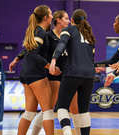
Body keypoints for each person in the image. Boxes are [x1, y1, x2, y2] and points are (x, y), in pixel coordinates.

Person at [9, 10, 81, 135]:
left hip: (66, 74)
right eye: (66, 18)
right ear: (57, 20)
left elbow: (31, 48)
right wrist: (19, 57)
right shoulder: (46, 34)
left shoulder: (67, 36)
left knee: (74, 107)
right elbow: (31, 50)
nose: (69, 21)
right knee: (48, 110)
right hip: (49, 75)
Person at [49, 9, 96, 135]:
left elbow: (62, 43)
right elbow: (91, 58)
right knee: (84, 111)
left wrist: (54, 59)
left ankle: (67, 131)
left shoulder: (68, 30)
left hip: (72, 73)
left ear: (71, 20)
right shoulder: (89, 35)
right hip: (89, 76)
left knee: (62, 107)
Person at [16, 5, 60, 135]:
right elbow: (34, 54)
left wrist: (17, 58)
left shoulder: (34, 30)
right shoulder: (40, 31)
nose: (52, 16)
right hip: (36, 74)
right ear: (46, 17)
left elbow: (29, 50)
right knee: (47, 111)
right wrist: (49, 66)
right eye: (51, 14)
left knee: (29, 112)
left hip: (25, 74)